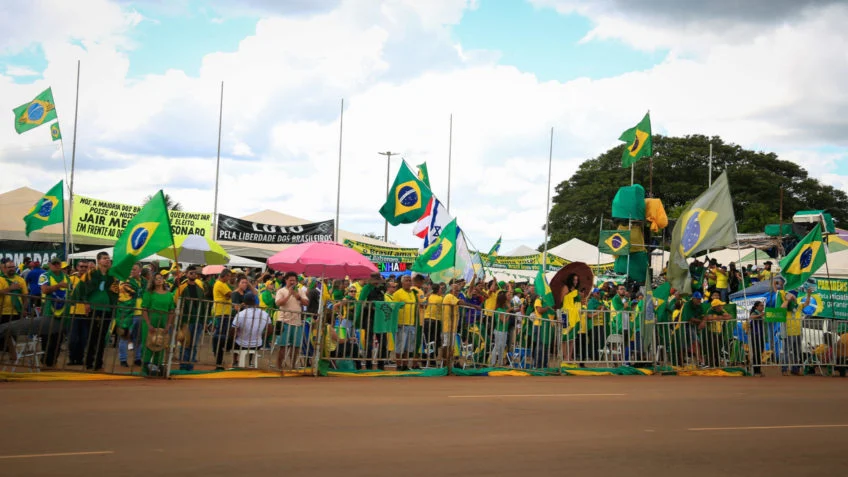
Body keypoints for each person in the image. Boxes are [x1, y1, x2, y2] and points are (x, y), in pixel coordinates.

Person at [75, 252, 119, 371]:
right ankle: (89, 362)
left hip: (107, 309)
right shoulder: (91, 274)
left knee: (102, 336)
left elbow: (116, 292)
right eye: (104, 258)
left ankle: (98, 362)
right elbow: (81, 288)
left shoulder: (112, 276)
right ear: (98, 261)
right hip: (94, 308)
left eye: (108, 258)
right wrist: (86, 302)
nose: (107, 260)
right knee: (92, 335)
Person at [140, 273, 175, 376]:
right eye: (156, 279)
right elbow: (144, 309)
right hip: (151, 320)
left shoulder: (169, 294)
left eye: (160, 278)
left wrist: (168, 324)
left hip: (163, 321)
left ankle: (157, 368)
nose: (159, 280)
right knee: (149, 343)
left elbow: (171, 310)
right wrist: (148, 323)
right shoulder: (149, 293)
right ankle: (145, 368)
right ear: (153, 281)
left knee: (161, 343)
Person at [38, 258, 69, 367]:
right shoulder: (44, 276)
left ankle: (53, 361)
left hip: (62, 312)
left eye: (58, 263)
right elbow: (45, 290)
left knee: (58, 339)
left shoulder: (66, 277)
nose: (56, 265)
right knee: (47, 339)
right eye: (54, 264)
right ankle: (45, 361)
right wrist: (58, 286)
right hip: (48, 311)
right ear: (50, 265)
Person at [174, 265, 206, 371]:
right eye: (191, 273)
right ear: (187, 274)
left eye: (195, 273)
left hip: (198, 320)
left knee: (194, 344)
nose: (193, 275)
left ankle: (190, 365)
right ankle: (183, 364)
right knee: (185, 343)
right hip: (185, 320)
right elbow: (176, 302)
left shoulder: (200, 288)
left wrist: (204, 319)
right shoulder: (181, 288)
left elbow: (204, 305)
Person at [275, 271, 308, 371]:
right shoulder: (281, 291)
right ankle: (279, 366)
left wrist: (297, 296)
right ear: (286, 280)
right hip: (283, 321)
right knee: (282, 346)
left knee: (296, 346)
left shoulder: (300, 291)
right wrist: (289, 294)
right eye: (290, 280)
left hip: (297, 322)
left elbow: (306, 303)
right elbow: (278, 303)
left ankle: (293, 366)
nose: (292, 282)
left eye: (294, 280)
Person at [231, 292, 272, 364]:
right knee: (253, 340)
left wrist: (234, 337)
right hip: (257, 344)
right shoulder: (265, 314)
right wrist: (261, 337)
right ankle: (250, 362)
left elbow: (233, 331)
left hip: (241, 344)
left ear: (244, 302)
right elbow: (270, 330)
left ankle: (235, 361)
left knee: (233, 338)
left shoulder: (240, 314)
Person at [116, 264, 145, 367]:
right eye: (131, 269)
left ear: (140, 270)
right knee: (125, 336)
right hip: (128, 313)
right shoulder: (125, 281)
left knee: (139, 337)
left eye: (134, 269)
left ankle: (137, 358)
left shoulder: (144, 281)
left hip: (141, 313)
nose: (132, 271)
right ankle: (123, 359)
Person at [392, 275, 419, 371]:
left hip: (411, 323)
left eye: (410, 281)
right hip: (401, 323)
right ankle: (399, 365)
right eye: (407, 281)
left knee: (409, 347)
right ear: (402, 283)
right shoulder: (397, 293)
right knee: (400, 346)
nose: (409, 282)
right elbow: (393, 307)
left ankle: (405, 364)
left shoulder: (413, 293)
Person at [212, 269, 234, 370]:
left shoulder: (223, 284)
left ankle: (219, 360)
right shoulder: (220, 284)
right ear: (224, 276)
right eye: (229, 276)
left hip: (224, 313)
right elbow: (229, 294)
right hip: (222, 313)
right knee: (221, 335)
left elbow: (230, 293)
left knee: (222, 335)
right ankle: (218, 358)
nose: (230, 278)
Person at [703, 299, 730, 368]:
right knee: (711, 349)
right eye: (720, 305)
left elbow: (729, 317)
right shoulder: (710, 311)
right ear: (716, 306)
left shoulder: (721, 311)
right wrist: (720, 317)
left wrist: (717, 317)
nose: (722, 306)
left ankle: (717, 364)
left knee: (718, 349)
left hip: (719, 333)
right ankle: (710, 364)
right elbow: (709, 318)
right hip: (711, 333)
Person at [680, 292, 706, 366]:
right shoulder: (687, 304)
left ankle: (699, 360)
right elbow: (690, 319)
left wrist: (703, 321)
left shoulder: (699, 305)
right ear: (693, 298)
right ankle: (698, 360)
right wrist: (702, 322)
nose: (699, 300)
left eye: (700, 299)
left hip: (693, 326)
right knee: (683, 344)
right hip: (683, 326)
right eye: (697, 299)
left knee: (695, 342)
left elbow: (704, 316)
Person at [0, 258, 28, 324]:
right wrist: (10, 288)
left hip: (17, 312)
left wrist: (24, 309)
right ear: (5, 268)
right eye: (9, 267)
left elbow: (25, 296)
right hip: (3, 312)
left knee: (15, 333)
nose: (12, 269)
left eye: (13, 267)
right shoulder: (1, 279)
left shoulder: (21, 280)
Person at [489, 291, 510, 367]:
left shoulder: (503, 309)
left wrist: (508, 310)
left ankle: (500, 363)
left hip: (504, 330)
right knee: (497, 346)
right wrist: (508, 312)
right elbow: (504, 321)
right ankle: (493, 363)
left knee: (502, 346)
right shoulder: (499, 310)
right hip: (499, 330)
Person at [748, 301, 766, 376]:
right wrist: (760, 315)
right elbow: (751, 317)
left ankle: (758, 369)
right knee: (756, 353)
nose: (763, 307)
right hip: (755, 335)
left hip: (760, 335)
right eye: (761, 305)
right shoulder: (755, 312)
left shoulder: (761, 313)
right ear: (756, 307)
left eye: (763, 305)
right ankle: (756, 371)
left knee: (760, 352)